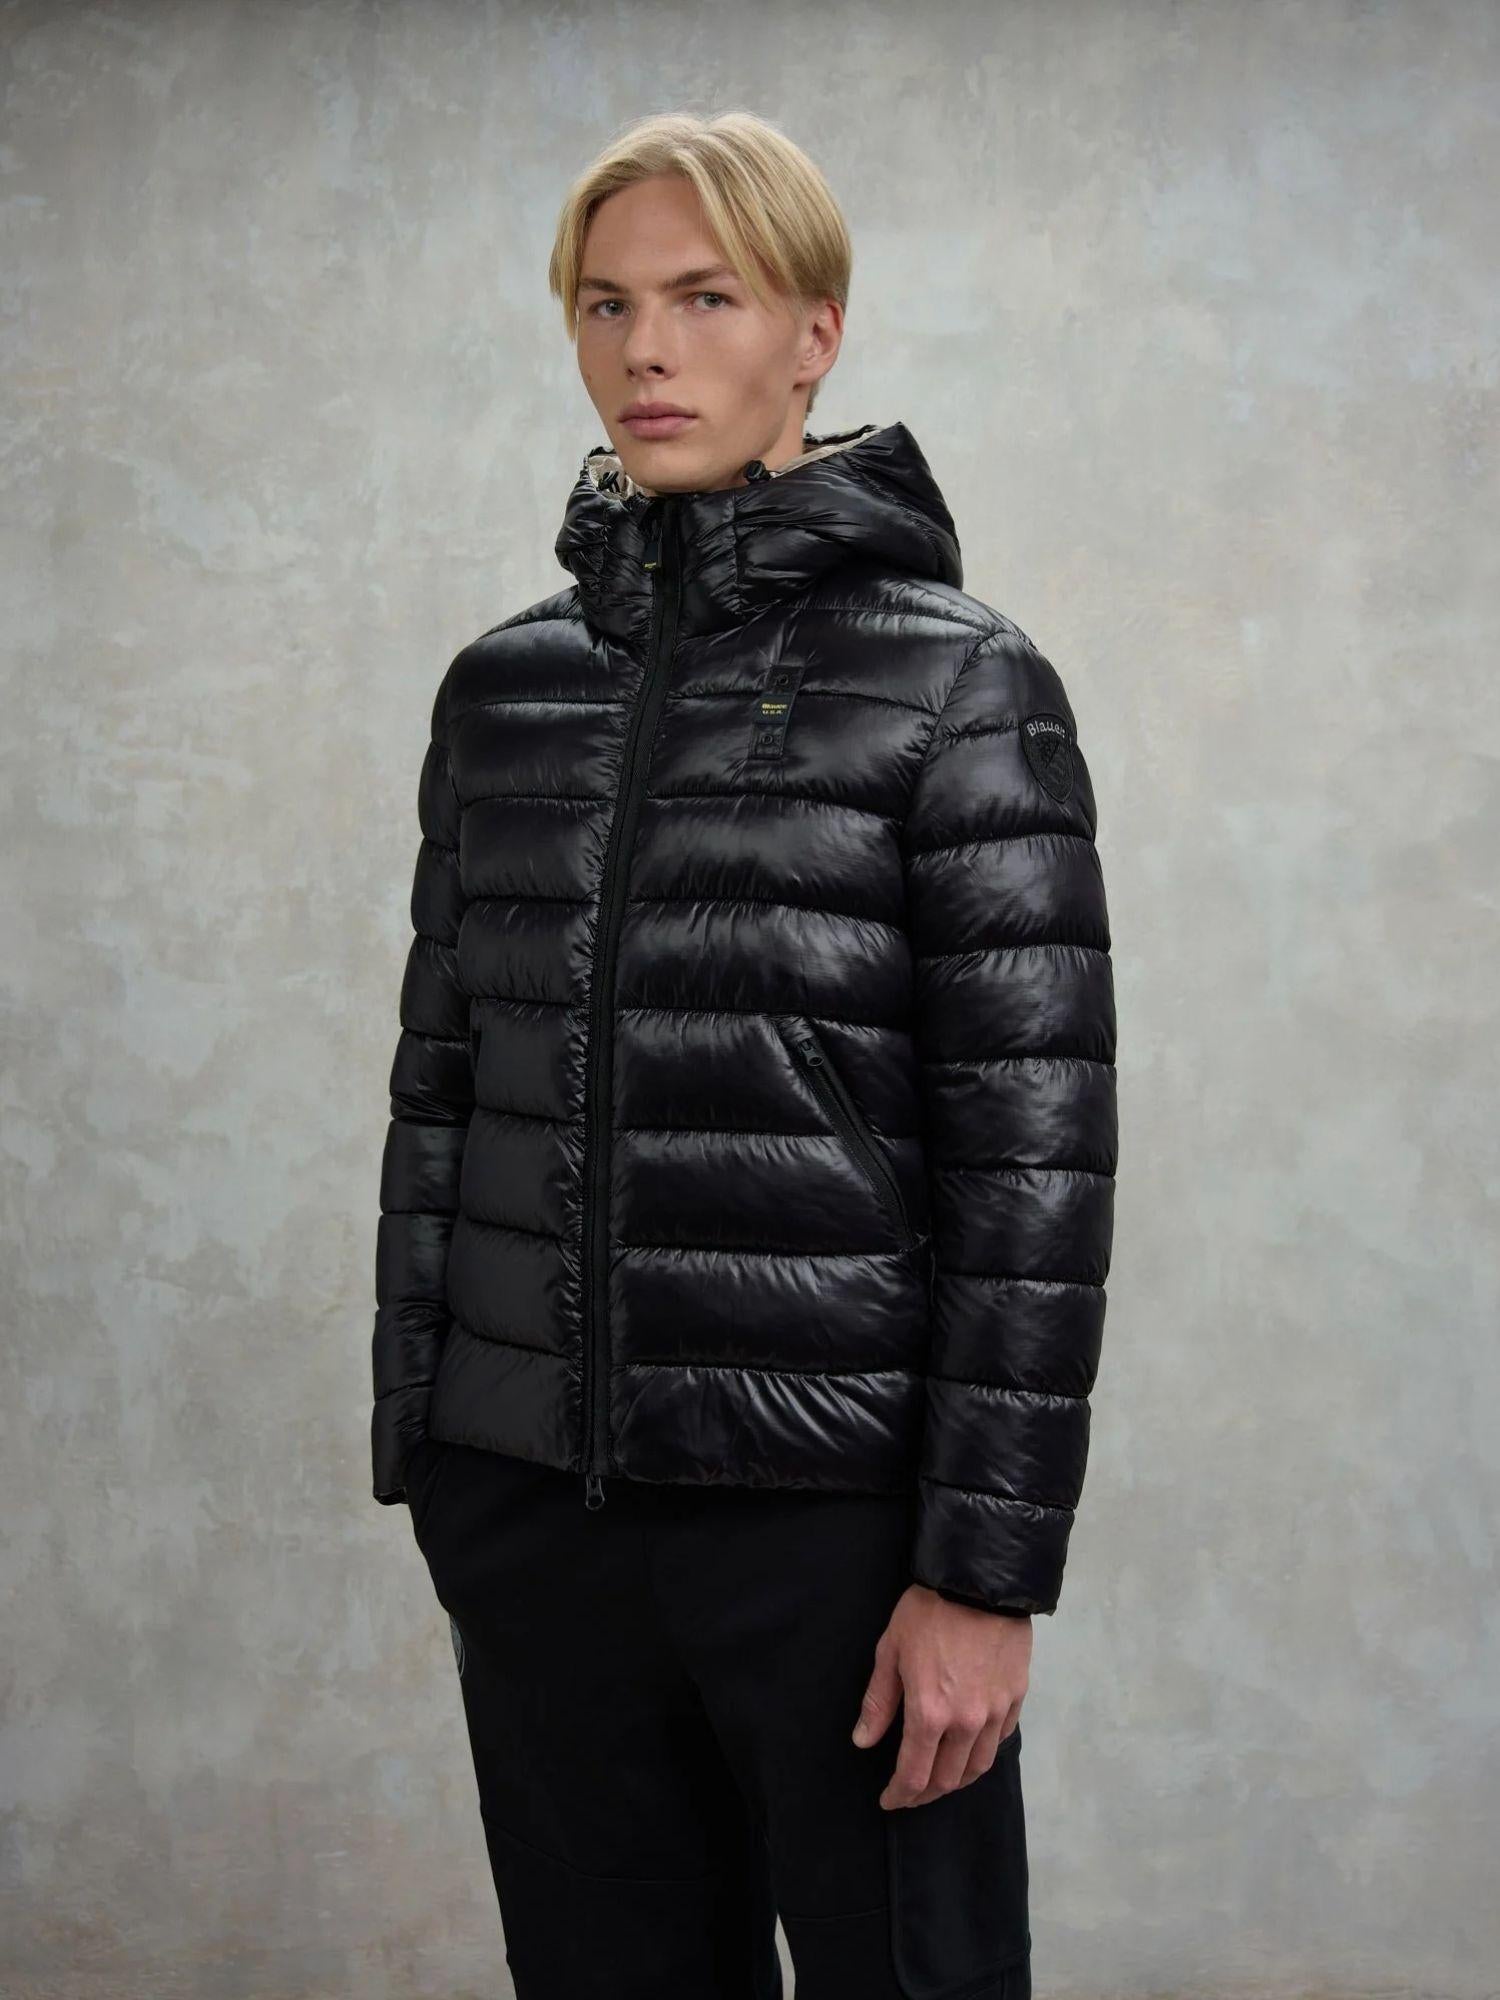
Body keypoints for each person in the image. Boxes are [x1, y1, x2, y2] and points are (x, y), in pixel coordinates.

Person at [370, 108, 1117, 2000]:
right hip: (537, 1514)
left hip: (835, 1536)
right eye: (606, 303)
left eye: (706, 298)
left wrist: (982, 1574)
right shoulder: (505, 691)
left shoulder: (959, 683)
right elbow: (441, 1087)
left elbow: (1032, 1172)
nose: (648, 350)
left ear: (814, 333)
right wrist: (438, 1462)